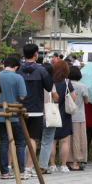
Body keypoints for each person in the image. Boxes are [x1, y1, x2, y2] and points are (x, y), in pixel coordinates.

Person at [17, 44, 54, 176]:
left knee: (19, 139)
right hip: (36, 109)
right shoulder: (41, 70)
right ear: (36, 54)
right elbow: (49, 87)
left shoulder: (18, 69)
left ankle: (17, 167)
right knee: (32, 138)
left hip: (20, 108)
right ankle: (28, 167)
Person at [0, 57, 29, 180]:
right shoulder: (18, 77)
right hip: (15, 115)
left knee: (4, 142)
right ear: (16, 67)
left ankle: (4, 172)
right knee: (19, 143)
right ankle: (20, 171)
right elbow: (22, 97)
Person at [49, 60, 76, 173]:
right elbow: (73, 98)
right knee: (64, 141)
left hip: (51, 112)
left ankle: (52, 164)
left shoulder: (50, 81)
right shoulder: (66, 82)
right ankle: (64, 165)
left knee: (52, 140)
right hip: (64, 114)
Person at [38, 63, 59, 174]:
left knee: (32, 140)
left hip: (36, 114)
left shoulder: (35, 83)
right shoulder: (50, 83)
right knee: (46, 142)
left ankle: (28, 165)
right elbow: (55, 98)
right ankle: (42, 167)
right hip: (49, 115)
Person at [66, 66, 89, 170]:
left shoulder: (65, 84)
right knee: (78, 140)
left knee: (67, 140)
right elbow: (86, 101)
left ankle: (66, 162)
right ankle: (76, 163)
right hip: (79, 116)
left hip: (66, 116)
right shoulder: (82, 86)